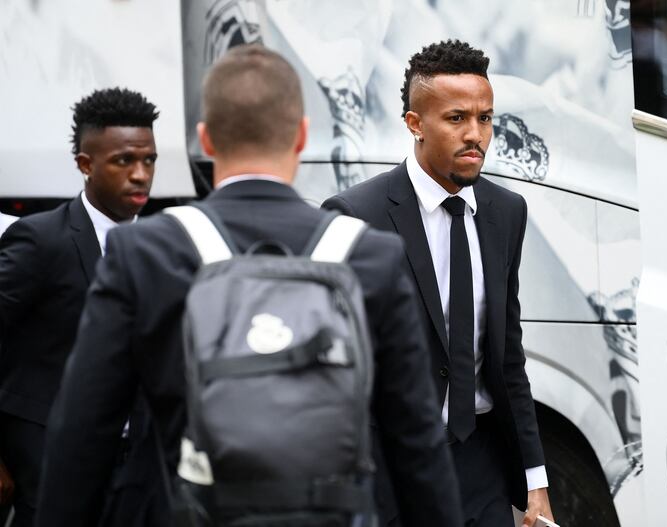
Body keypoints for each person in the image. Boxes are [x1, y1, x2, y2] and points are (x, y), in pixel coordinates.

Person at [36, 44, 462, 527]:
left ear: (207, 139)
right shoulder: (370, 256)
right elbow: (417, 443)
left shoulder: (146, 253)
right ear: (301, 136)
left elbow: (82, 432)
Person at [323, 40, 555, 526]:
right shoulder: (354, 216)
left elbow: (509, 359)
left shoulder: (506, 212)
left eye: (486, 118)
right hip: (394, 470)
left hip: (483, 462)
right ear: (414, 124)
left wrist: (535, 482)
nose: (476, 135)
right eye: (456, 119)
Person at [0, 87, 158, 526]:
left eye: (149, 160)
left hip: (140, 463)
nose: (141, 174)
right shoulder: (40, 241)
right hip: (49, 462)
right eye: (124, 160)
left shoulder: (163, 244)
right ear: (86, 165)